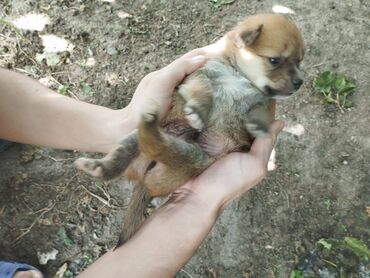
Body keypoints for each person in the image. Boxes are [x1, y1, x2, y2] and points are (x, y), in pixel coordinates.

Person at [0, 49, 283, 278]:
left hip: (189, 138)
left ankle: (120, 158)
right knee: (157, 144)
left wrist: (121, 125)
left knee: (151, 139)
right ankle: (120, 160)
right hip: (186, 138)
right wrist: (197, 202)